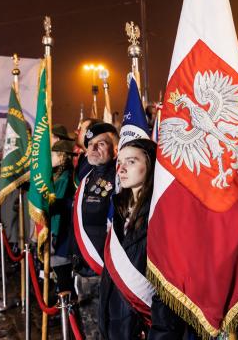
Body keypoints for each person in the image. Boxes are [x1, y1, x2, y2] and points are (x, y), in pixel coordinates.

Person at [99, 139, 157, 339]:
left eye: (131, 162)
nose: (121, 169)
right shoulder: (120, 207)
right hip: (115, 316)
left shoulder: (158, 213)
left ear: (149, 165)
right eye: (120, 162)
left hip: (144, 321)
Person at [71, 122, 119, 339]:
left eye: (101, 144)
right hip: (83, 269)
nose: (93, 149)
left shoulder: (120, 177)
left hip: (105, 271)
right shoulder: (86, 176)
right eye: (90, 144)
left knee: (109, 330)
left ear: (115, 148)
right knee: (87, 328)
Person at [50, 139, 77, 294]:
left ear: (61, 156)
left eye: (53, 155)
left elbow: (58, 204)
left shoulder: (65, 178)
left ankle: (66, 311)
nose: (50, 158)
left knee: (63, 274)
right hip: (60, 232)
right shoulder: (60, 176)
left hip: (62, 233)